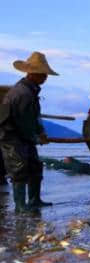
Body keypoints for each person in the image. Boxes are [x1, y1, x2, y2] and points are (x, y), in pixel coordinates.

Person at [0, 51, 58, 213]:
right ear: (31, 73)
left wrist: (40, 132)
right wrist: (36, 137)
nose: (45, 78)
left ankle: (34, 200)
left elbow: (34, 117)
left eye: (45, 74)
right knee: (19, 169)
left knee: (35, 166)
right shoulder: (22, 93)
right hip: (11, 136)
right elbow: (23, 122)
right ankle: (20, 206)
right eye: (42, 74)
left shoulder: (31, 91)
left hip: (24, 136)